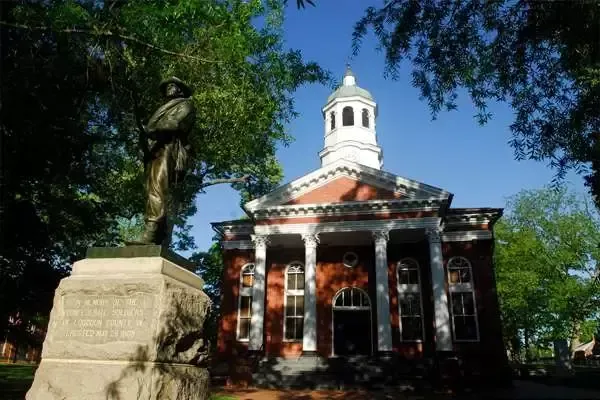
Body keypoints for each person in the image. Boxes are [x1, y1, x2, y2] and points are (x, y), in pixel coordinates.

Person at [134, 76, 196, 245]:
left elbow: (175, 124)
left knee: (157, 187)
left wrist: (150, 129)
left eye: (173, 85)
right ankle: (159, 233)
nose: (169, 87)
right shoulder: (163, 108)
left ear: (180, 90)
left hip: (169, 149)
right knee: (151, 189)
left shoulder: (185, 105)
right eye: (167, 86)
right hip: (155, 150)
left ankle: (152, 230)